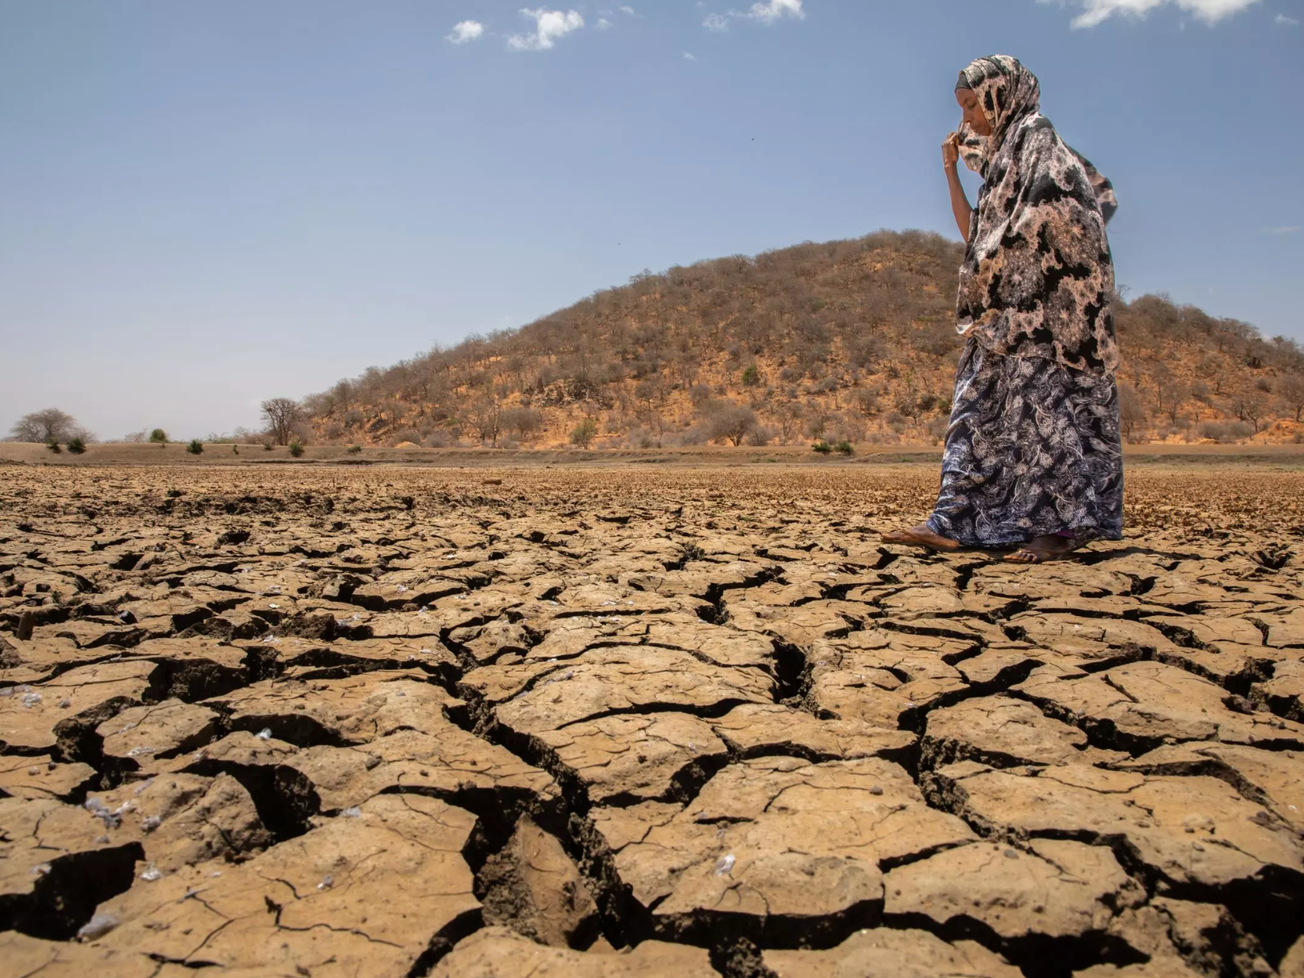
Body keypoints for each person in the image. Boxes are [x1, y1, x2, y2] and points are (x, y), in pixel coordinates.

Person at [883, 55, 1124, 565]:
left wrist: (999, 250)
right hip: (1001, 316)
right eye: (963, 107)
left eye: (973, 104)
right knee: (975, 416)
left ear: (1001, 95)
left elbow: (1058, 211)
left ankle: (1059, 532)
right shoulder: (1000, 162)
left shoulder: (1038, 139)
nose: (967, 118)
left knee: (1047, 422)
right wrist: (951, 172)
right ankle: (954, 522)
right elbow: (976, 234)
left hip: (1046, 320)